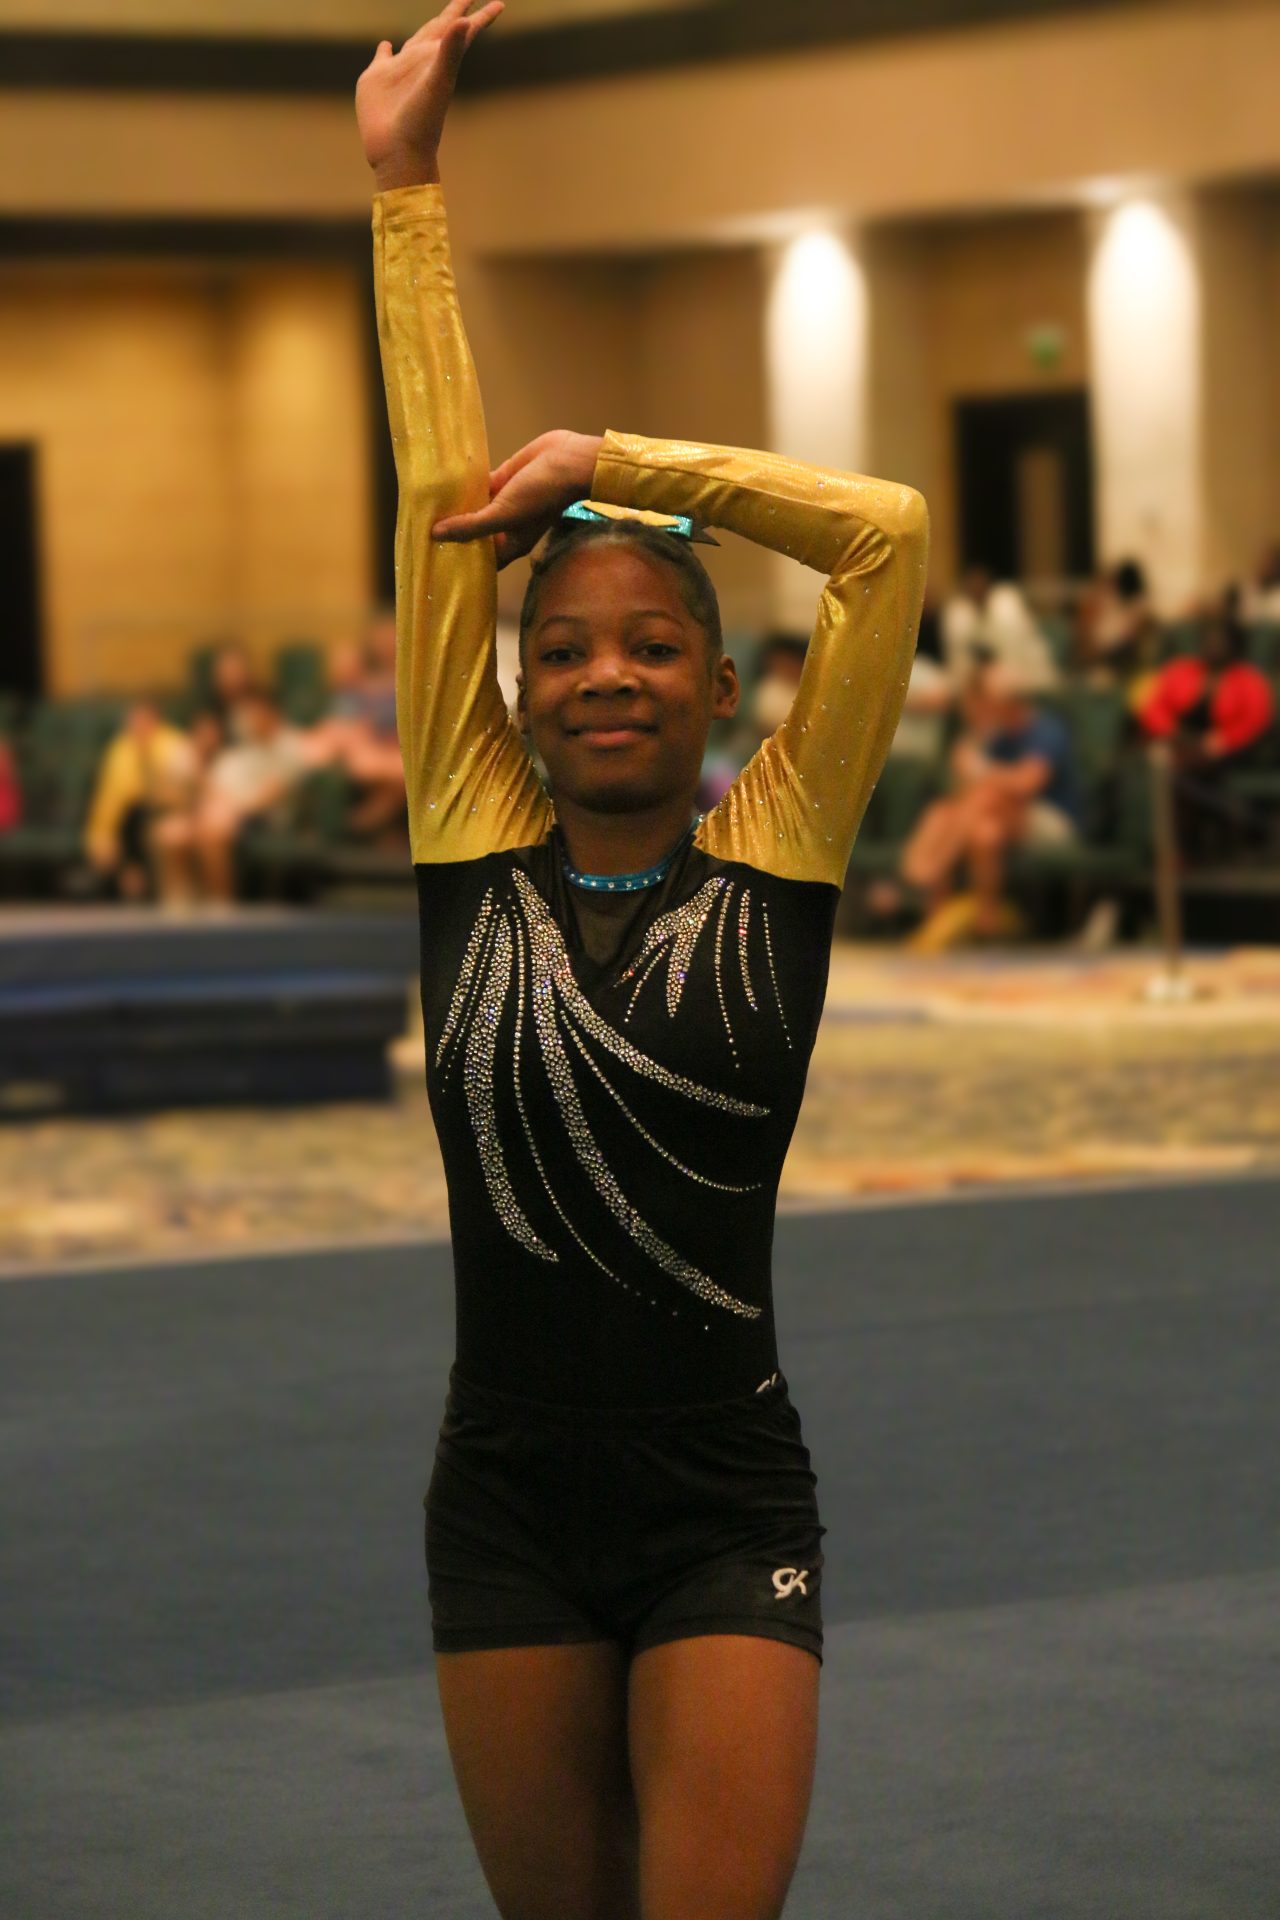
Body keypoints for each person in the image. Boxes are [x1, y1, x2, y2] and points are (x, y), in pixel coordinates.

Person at [355, 10, 928, 1918]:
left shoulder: (778, 852)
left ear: (720, 683)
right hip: (504, 1496)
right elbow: (438, 507)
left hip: (721, 1494)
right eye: (565, 648)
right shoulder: (471, 833)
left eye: (653, 644)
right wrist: (404, 188)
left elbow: (887, 537)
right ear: (517, 688)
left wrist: (619, 465)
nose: (606, 673)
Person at [878, 662, 1082, 946]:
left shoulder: (1046, 730)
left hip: (1051, 824)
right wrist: (974, 749)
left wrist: (981, 770)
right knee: (975, 829)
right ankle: (975, 922)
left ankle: (916, 880)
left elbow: (1027, 784)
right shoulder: (995, 735)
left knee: (988, 796)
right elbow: (963, 794)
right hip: (998, 820)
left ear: (1010, 701)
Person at [1136, 606, 1275, 860]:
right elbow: (1153, 707)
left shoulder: (1248, 679)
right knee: (1158, 764)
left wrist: (1224, 741)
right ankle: (1155, 843)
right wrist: (1172, 732)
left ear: (1234, 644)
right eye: (1209, 639)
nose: (1213, 645)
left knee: (1185, 771)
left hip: (1225, 750)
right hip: (1180, 742)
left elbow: (1255, 720)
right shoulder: (1181, 670)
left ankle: (1182, 848)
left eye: (1220, 640)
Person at [151, 685, 308, 905]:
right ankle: (180, 906)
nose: (248, 719)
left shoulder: (290, 746)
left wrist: (228, 807)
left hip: (263, 820)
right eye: (247, 714)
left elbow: (268, 798)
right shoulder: (238, 751)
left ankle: (220, 906)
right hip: (220, 812)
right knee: (171, 834)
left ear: (271, 713)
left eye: (254, 713)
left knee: (214, 829)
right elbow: (209, 791)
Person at [82, 696, 200, 902]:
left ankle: (173, 894)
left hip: (165, 815)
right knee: (119, 835)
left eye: (142, 719)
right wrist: (101, 834)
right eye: (133, 719)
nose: (137, 724)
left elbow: (183, 793)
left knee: (160, 829)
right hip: (125, 824)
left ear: (155, 719)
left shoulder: (175, 744)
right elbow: (109, 799)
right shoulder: (119, 748)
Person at [941, 563, 1058, 691]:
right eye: (972, 585)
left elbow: (1017, 651)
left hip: (1025, 669)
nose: (976, 588)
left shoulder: (1008, 605)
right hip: (986, 679)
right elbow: (961, 658)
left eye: (980, 583)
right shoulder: (961, 612)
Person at [1076, 558, 1162, 687]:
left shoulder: (1140, 607)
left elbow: (1134, 635)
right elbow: (1088, 638)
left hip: (1123, 660)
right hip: (1101, 661)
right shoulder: (1103, 602)